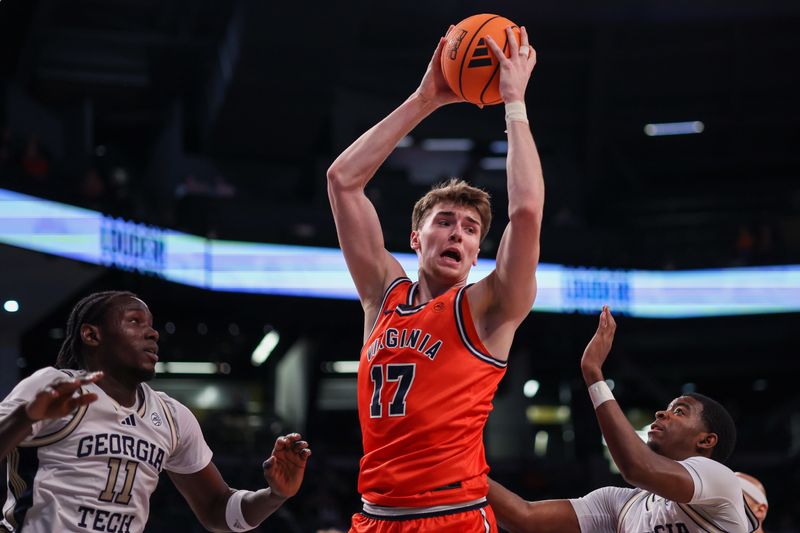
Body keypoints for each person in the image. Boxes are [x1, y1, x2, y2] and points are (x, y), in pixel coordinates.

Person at [326, 23, 543, 533]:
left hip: (453, 517)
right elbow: (342, 181)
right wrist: (425, 98)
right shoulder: (383, 295)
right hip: (375, 517)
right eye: (444, 221)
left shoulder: (488, 308)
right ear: (416, 239)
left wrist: (514, 102)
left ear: (474, 256)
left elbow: (528, 212)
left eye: (470, 230)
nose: (458, 233)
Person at [0, 290, 311, 533]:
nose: (153, 333)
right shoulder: (55, 386)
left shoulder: (171, 415)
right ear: (91, 335)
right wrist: (25, 416)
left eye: (151, 325)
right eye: (135, 321)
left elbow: (218, 509)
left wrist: (274, 496)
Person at [487, 306, 759, 533]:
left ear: (706, 440)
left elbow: (638, 468)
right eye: (667, 408)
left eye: (679, 411)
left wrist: (594, 375)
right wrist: (456, 464)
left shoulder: (720, 482)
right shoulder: (621, 504)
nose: (661, 413)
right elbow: (524, 517)